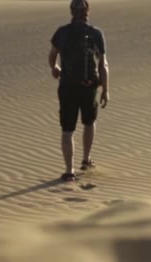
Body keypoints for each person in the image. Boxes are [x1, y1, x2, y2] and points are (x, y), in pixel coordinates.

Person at [49, 0, 109, 182]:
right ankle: (86, 160)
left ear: (71, 12)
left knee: (67, 130)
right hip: (89, 87)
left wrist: (55, 68)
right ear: (87, 12)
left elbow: (52, 56)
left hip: (67, 87)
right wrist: (106, 90)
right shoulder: (96, 33)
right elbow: (103, 64)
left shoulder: (62, 32)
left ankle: (69, 171)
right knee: (89, 123)